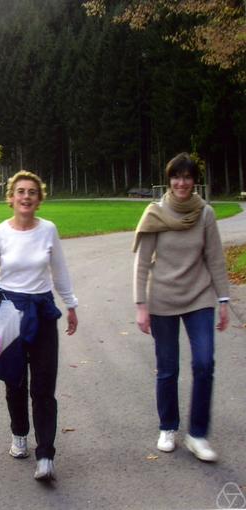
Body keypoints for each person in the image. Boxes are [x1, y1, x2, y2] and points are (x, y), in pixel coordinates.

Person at [0, 170, 78, 481]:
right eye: (20, 192)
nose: (26, 196)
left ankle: (45, 455)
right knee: (15, 381)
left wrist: (71, 305)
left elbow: (60, 272)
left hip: (42, 311)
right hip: (10, 314)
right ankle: (19, 434)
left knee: (44, 385)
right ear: (11, 198)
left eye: (32, 192)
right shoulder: (0, 233)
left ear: (39, 199)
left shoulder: (49, 231)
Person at [133, 152, 230, 463]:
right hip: (162, 299)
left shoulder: (205, 215)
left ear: (194, 181)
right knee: (168, 368)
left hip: (199, 297)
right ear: (169, 179)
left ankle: (198, 435)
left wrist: (224, 300)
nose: (181, 183)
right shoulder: (155, 213)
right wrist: (141, 305)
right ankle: (168, 427)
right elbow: (142, 263)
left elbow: (215, 259)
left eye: (187, 177)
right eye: (176, 176)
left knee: (204, 363)